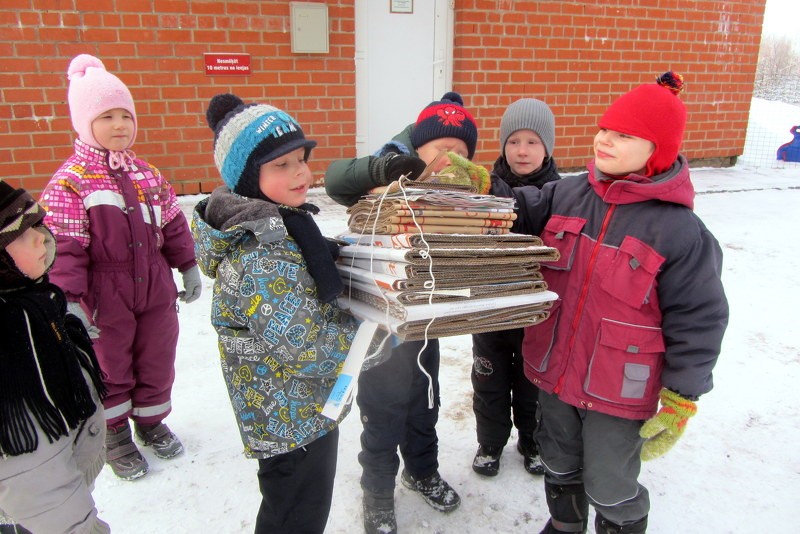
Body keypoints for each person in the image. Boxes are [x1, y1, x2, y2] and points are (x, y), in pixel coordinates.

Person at [492, 72, 729, 533]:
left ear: (656, 149)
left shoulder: (679, 232)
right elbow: (517, 208)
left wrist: (682, 397)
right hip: (556, 365)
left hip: (618, 387)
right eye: (604, 128)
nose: (604, 140)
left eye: (623, 135)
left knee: (609, 481)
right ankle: (564, 526)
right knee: (558, 458)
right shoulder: (570, 191)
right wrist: (483, 189)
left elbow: (700, 319)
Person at [192, 93, 390, 534]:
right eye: (282, 165)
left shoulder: (284, 225)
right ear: (247, 177)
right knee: (296, 515)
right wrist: (378, 331)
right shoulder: (261, 255)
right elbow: (307, 346)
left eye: (301, 158)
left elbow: (303, 271)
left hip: (299, 409)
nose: (301, 172)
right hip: (289, 419)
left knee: (296, 508)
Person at [40, 54, 201, 481]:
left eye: (125, 116)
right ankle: (114, 433)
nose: (119, 125)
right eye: (106, 116)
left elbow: (172, 221)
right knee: (110, 364)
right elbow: (65, 248)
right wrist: (70, 300)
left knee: (156, 355)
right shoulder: (71, 181)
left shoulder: (147, 173)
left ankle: (149, 420)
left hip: (154, 288)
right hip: (103, 293)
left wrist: (186, 265)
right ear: (83, 121)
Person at [325, 91, 479, 534]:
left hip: (423, 318)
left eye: (461, 153)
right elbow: (337, 179)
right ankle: (377, 490)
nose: (451, 159)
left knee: (425, 400)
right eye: (442, 150)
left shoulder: (454, 189)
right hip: (378, 321)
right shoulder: (394, 164)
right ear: (419, 146)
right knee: (383, 409)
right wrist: (385, 174)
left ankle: (422, 470)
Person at [0, 179, 109, 533]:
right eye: (19, 233)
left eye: (37, 223)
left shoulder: (34, 302)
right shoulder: (13, 347)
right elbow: (33, 472)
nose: (41, 238)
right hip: (47, 514)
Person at [471, 98, 560, 478]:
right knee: (488, 377)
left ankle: (532, 440)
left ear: (548, 147)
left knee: (532, 381)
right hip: (490, 303)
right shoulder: (483, 189)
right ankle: (490, 441)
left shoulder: (561, 193)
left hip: (536, 310)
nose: (521, 151)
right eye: (513, 141)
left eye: (532, 142)